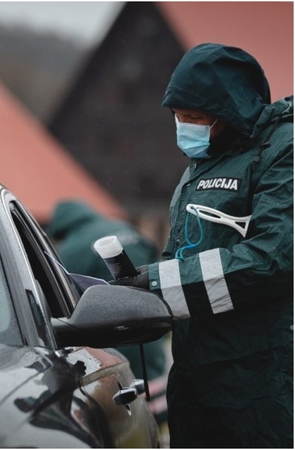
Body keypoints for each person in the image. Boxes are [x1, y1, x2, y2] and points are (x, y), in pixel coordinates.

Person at [111, 43, 293, 448]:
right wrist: (140, 293)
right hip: (194, 375)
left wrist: (156, 283)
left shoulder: (283, 149)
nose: (184, 127)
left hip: (260, 381)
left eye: (194, 118)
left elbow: (274, 260)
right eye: (177, 117)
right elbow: (182, 258)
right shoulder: (202, 162)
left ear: (232, 112)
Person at [45, 200, 169, 382]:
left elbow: (57, 293)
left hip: (111, 343)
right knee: (152, 397)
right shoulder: (127, 228)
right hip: (150, 332)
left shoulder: (71, 249)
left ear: (61, 228)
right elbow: (156, 271)